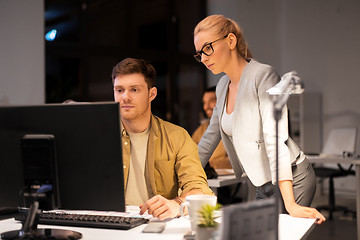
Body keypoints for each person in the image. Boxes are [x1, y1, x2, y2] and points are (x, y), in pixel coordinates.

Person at [193, 15, 325, 223]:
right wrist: (184, 181)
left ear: (230, 41)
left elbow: (275, 139)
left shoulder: (263, 76)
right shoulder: (221, 87)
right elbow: (209, 138)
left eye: (207, 48)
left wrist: (290, 204)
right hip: (262, 183)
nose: (203, 58)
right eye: (199, 53)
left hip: (292, 178)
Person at [111, 57, 213, 220]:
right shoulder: (102, 137)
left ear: (152, 94)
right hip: (109, 222)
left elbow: (200, 189)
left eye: (134, 90)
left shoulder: (177, 136)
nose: (125, 97)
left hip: (156, 222)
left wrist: (177, 204)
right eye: (119, 90)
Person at [192, 86, 231, 170]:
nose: (206, 107)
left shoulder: (232, 127)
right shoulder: (201, 129)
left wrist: (208, 165)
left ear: (223, 100)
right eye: (204, 102)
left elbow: (235, 161)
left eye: (212, 100)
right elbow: (190, 154)